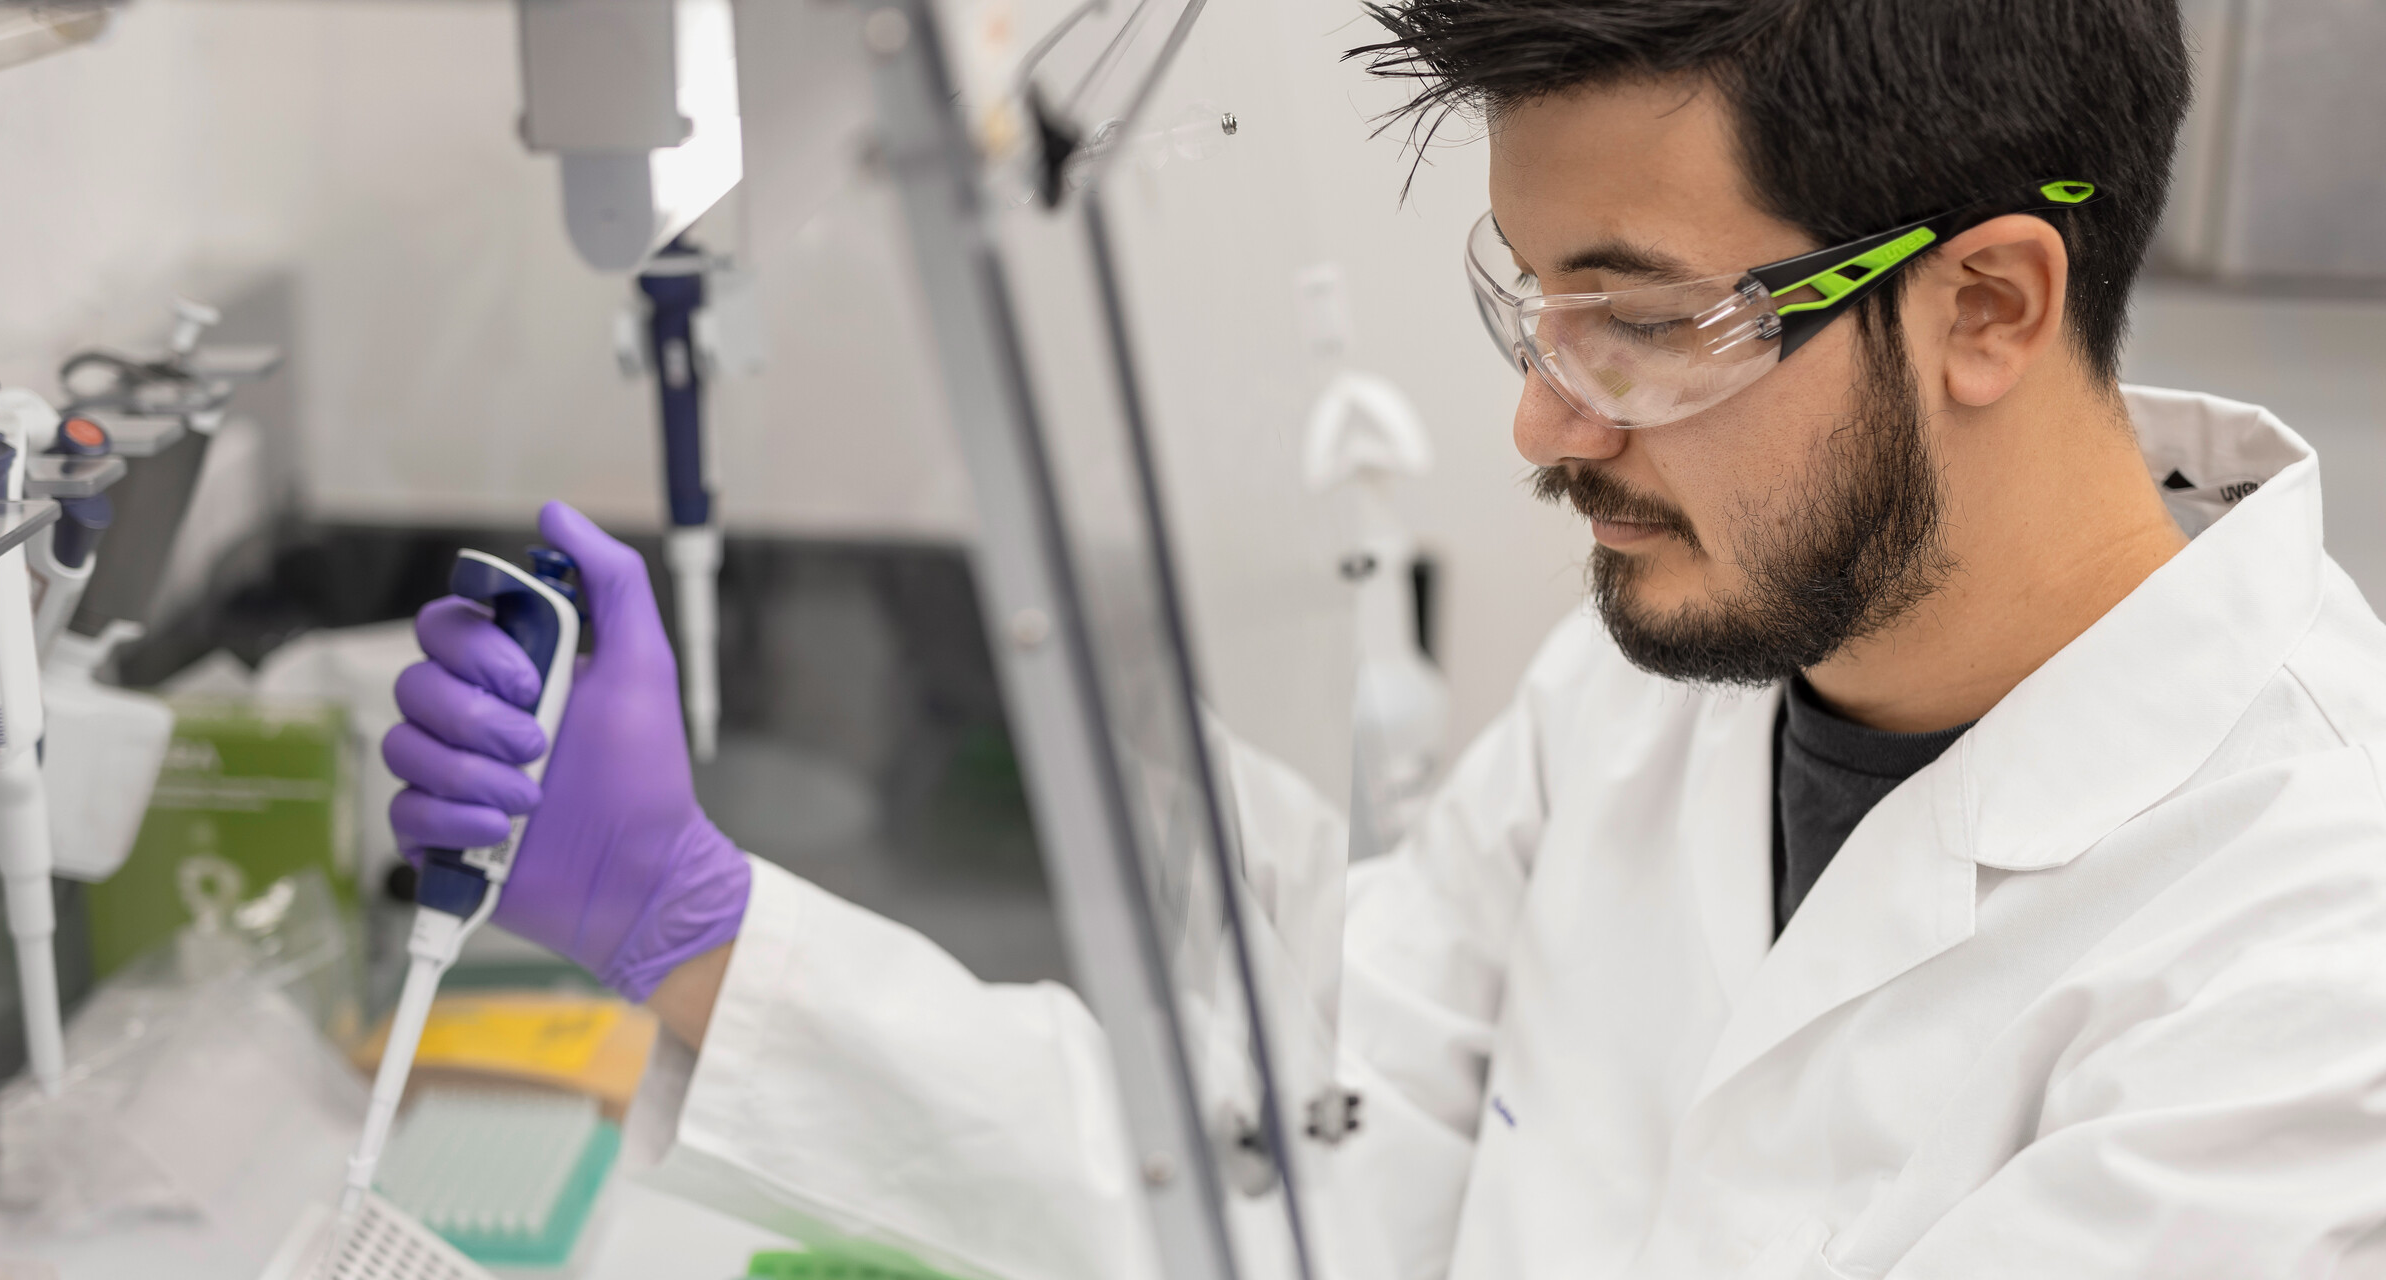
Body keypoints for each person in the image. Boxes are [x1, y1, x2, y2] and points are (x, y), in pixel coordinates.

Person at [380, 0, 2386, 1275]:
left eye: (1649, 321)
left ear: (1986, 308)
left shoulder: (2312, 966)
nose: (1544, 422)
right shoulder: (1646, 684)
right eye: (1535, 304)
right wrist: (689, 924)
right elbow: (1310, 1175)